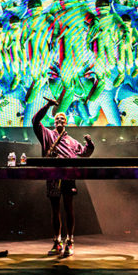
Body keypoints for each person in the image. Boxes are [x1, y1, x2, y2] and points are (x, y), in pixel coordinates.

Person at [32, 96, 94, 258]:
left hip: (68, 176)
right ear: (54, 122)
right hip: (52, 175)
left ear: (65, 122)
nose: (59, 120)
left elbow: (85, 153)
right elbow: (35, 121)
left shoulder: (72, 141)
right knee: (55, 209)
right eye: (57, 118)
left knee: (69, 208)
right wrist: (47, 106)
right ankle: (57, 241)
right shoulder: (46, 135)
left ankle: (70, 241)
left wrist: (89, 143)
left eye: (62, 118)